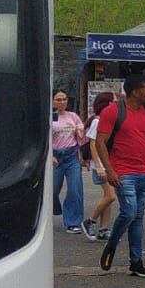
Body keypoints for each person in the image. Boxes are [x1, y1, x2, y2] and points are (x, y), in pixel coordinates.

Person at [95, 74, 145, 278]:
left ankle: (136, 263)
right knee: (130, 213)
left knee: (137, 217)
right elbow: (100, 142)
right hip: (123, 172)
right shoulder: (113, 111)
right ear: (134, 91)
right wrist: (110, 170)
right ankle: (113, 241)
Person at [50, 91, 86, 234]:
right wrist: (50, 155)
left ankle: (73, 222)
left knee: (74, 190)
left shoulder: (73, 116)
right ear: (53, 101)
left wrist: (79, 132)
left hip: (72, 156)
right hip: (55, 157)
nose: (62, 102)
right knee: (51, 191)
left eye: (64, 99)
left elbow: (82, 135)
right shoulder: (51, 118)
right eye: (58, 100)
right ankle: (52, 211)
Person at [83, 92, 118, 240]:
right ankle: (90, 220)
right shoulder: (98, 121)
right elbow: (93, 144)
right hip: (101, 164)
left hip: (108, 163)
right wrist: (97, 165)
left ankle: (104, 228)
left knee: (108, 196)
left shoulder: (107, 120)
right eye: (113, 102)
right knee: (110, 196)